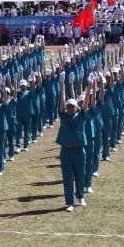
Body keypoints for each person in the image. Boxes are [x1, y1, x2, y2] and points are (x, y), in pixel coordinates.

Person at [56, 74, 88, 212]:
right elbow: (61, 103)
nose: (69, 108)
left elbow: (86, 104)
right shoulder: (63, 117)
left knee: (80, 175)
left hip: (79, 151)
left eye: (72, 106)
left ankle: (80, 196)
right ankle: (69, 202)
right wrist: (62, 85)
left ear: (76, 107)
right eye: (68, 106)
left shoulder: (81, 116)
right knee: (67, 178)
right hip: (66, 151)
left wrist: (90, 88)